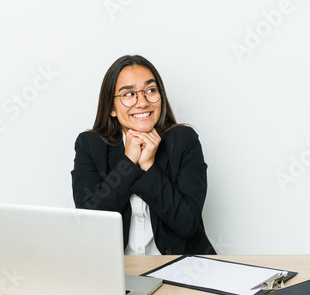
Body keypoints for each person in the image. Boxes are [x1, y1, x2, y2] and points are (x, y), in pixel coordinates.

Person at [71, 55, 215, 255]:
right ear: (111, 108)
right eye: (129, 94)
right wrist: (128, 163)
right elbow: (91, 222)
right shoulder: (89, 145)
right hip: (117, 271)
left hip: (179, 268)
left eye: (150, 90)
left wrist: (148, 167)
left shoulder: (184, 141)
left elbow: (187, 223)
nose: (142, 102)